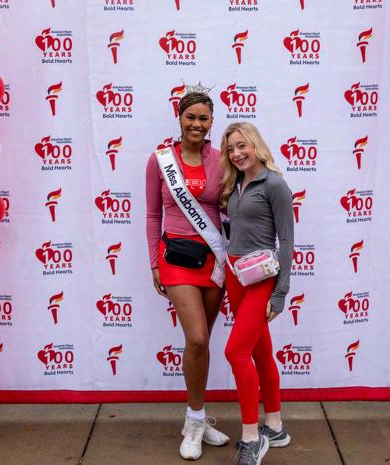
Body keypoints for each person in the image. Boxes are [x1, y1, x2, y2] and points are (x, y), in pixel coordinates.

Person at [145, 91, 229, 460]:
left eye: (203, 118)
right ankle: (194, 422)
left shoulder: (222, 159)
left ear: (211, 122)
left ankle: (198, 416)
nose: (197, 124)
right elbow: (152, 215)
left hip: (214, 260)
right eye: (190, 117)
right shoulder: (160, 159)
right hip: (175, 259)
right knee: (196, 336)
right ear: (179, 118)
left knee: (201, 344)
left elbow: (231, 207)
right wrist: (154, 262)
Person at [220, 122, 294, 465]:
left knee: (236, 352)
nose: (236, 154)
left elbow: (287, 241)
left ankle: (252, 437)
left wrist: (280, 293)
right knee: (260, 352)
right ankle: (275, 426)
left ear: (255, 145)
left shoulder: (275, 184)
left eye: (241, 146)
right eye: (230, 149)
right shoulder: (235, 183)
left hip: (261, 279)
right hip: (236, 277)